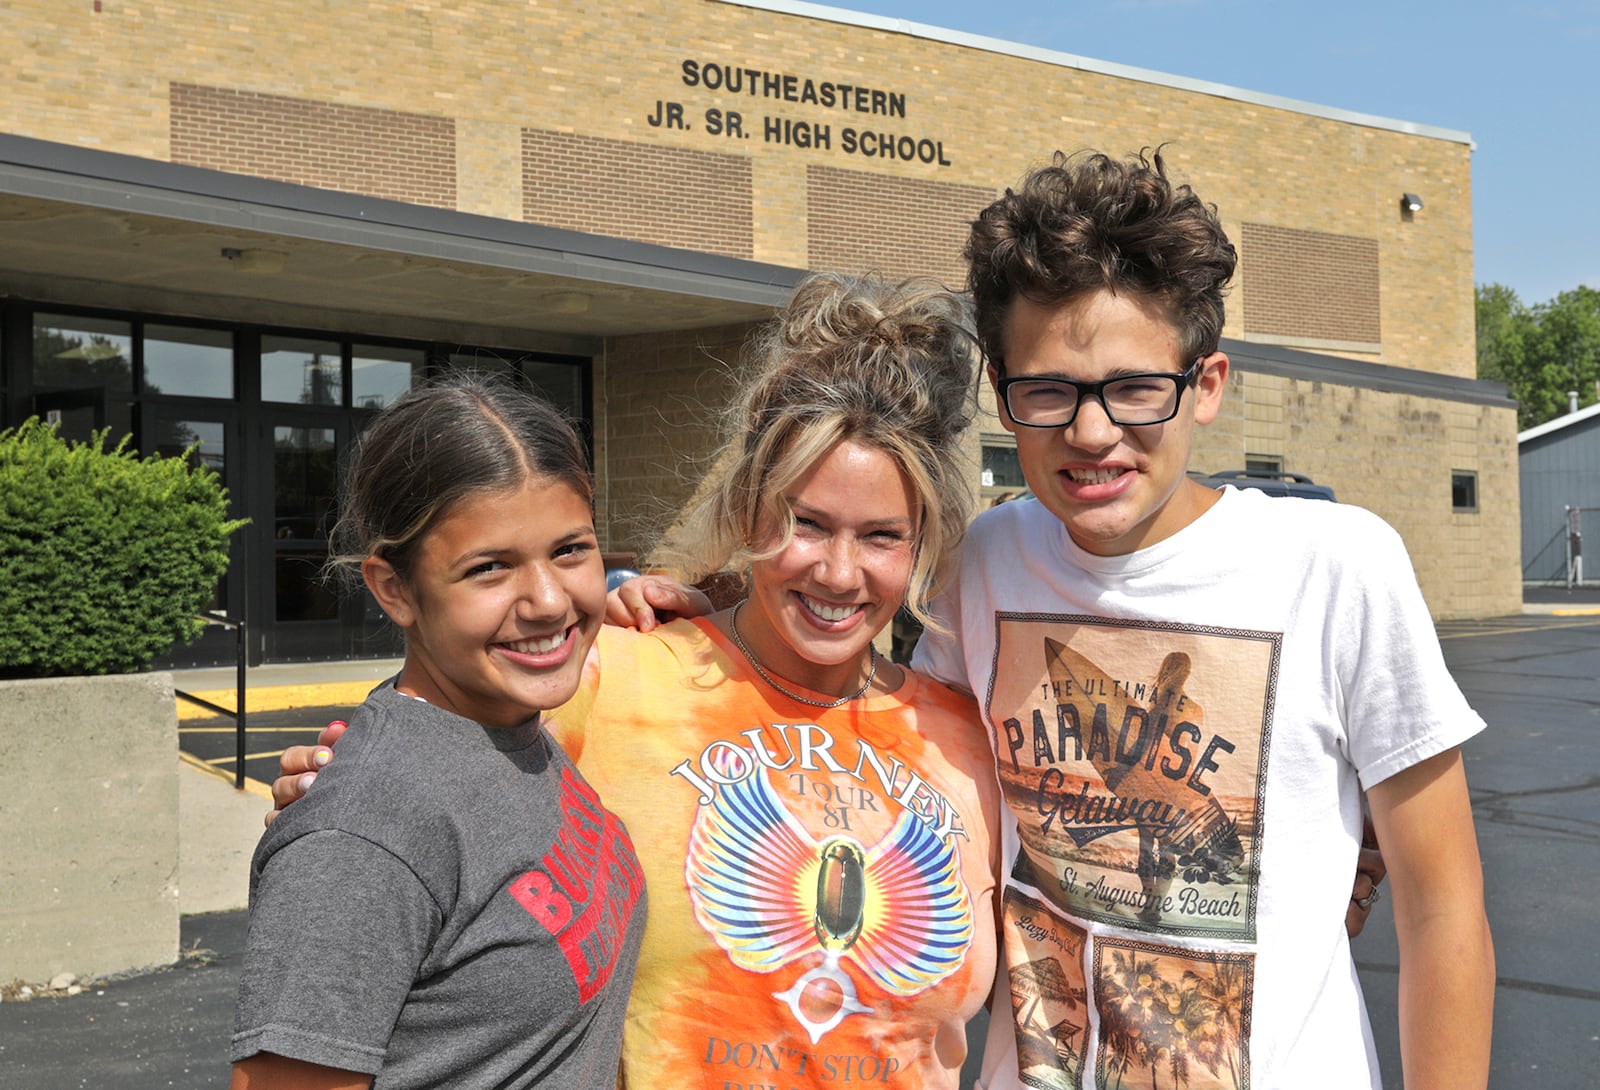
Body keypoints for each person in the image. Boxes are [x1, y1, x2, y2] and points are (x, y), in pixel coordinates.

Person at [272, 274, 1005, 1090]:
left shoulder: (970, 741)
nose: (839, 571)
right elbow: (418, 771)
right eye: (806, 523)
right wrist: (344, 787)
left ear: (923, 544)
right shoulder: (609, 676)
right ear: (749, 509)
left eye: (881, 536)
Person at [908, 148, 1493, 1089]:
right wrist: (715, 620)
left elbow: (1443, 904)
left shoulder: (1338, 567)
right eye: (1048, 390)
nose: (1091, 433)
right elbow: (876, 763)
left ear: (1207, 385)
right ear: (1000, 392)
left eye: (1137, 387)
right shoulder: (982, 565)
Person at [231, 375, 646, 1089]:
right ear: (393, 589)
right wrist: (355, 833)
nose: (549, 601)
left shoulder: (512, 725)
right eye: (490, 568)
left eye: (571, 550)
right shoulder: (362, 838)